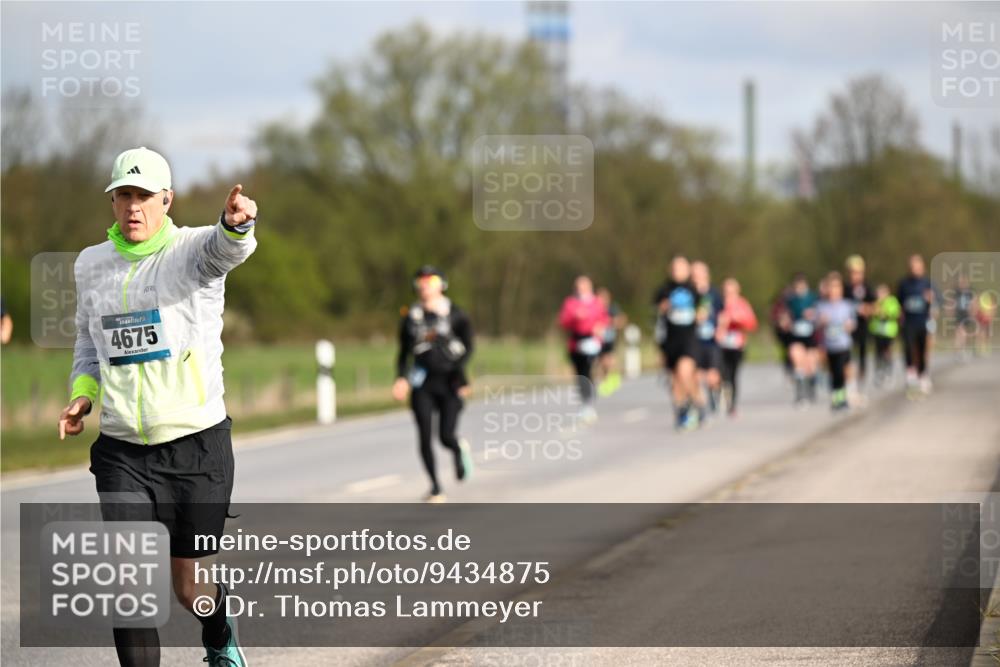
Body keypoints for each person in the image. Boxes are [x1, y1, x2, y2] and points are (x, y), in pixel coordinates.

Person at [58, 147, 257, 667]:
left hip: (196, 445)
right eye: (123, 195)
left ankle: (219, 633)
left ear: (166, 200)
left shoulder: (190, 252)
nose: (133, 206)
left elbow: (224, 249)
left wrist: (235, 226)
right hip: (123, 450)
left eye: (144, 196)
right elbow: (88, 341)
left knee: (190, 589)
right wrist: (83, 394)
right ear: (112, 200)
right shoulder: (91, 264)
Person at [392, 266, 474, 503]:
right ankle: (436, 487)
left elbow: (468, 348)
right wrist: (401, 378)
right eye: (421, 281)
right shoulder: (411, 317)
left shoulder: (455, 314)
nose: (425, 285)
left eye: (431, 280)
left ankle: (457, 448)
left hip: (449, 381)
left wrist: (461, 377)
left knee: (445, 436)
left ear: (441, 285)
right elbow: (403, 353)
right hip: (422, 382)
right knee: (424, 436)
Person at [653, 256, 704, 430]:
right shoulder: (664, 290)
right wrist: (663, 308)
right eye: (674, 268)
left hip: (689, 339)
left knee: (684, 372)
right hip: (670, 340)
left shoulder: (694, 289)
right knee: (675, 379)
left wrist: (701, 313)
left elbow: (704, 308)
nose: (677, 272)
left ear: (688, 270)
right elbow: (656, 316)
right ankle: (683, 411)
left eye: (681, 268)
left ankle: (695, 403)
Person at [558, 275, 608, 422]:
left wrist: (600, 327)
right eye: (579, 287)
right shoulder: (570, 302)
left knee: (587, 371)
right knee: (580, 374)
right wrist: (575, 316)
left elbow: (604, 319)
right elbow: (563, 321)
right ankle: (585, 402)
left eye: (584, 286)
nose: (581, 289)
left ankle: (588, 403)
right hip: (576, 343)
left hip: (592, 342)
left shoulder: (596, 302)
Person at [715, 278, 757, 416]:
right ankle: (718, 398)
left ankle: (732, 405)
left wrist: (738, 320)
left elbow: (752, 324)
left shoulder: (742, 304)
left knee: (733, 375)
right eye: (726, 291)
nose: (729, 294)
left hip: (736, 345)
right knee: (720, 373)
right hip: (719, 344)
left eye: (731, 291)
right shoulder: (718, 303)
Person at [897, 254, 935, 398]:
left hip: (923, 322)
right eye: (912, 266)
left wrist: (931, 300)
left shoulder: (927, 283)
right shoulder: (903, 284)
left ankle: (923, 375)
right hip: (908, 322)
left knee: (922, 349)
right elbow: (899, 302)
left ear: (922, 267)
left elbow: (937, 301)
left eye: (917, 266)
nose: (915, 269)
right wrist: (899, 317)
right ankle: (910, 375)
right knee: (908, 348)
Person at [817, 272, 856, 411]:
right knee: (833, 373)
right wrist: (821, 321)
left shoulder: (847, 305)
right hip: (829, 345)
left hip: (843, 344)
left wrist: (849, 325)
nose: (834, 290)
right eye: (831, 287)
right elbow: (816, 325)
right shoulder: (822, 306)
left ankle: (843, 398)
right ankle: (836, 398)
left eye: (836, 287)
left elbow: (853, 323)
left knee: (841, 372)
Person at [780, 273, 820, 407]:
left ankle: (811, 387)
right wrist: (785, 321)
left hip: (811, 336)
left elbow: (820, 315)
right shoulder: (790, 300)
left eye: (801, 287)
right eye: (797, 287)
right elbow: (784, 315)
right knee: (797, 361)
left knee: (810, 365)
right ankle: (800, 393)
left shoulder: (813, 298)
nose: (799, 290)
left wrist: (812, 315)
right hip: (796, 335)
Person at [692, 261, 724, 416]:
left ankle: (715, 394)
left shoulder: (714, 293)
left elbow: (722, 313)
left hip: (711, 340)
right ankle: (700, 406)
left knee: (712, 376)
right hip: (694, 340)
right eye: (694, 273)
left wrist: (721, 329)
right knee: (696, 375)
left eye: (699, 272)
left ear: (706, 274)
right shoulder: (689, 293)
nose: (696, 276)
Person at [844, 255, 875, 399]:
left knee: (862, 358)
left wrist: (866, 309)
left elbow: (875, 307)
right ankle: (850, 386)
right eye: (853, 272)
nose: (855, 276)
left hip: (862, 328)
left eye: (858, 272)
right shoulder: (845, 288)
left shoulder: (867, 288)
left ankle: (860, 386)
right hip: (847, 330)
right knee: (848, 358)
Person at [595, 287, 626, 397]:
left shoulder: (612, 308)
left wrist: (612, 322)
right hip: (598, 339)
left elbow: (621, 320)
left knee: (608, 360)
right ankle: (606, 380)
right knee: (602, 361)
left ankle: (612, 379)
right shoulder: (594, 309)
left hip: (609, 338)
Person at [868, 283, 901, 386]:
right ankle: (879, 371)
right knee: (878, 353)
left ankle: (888, 370)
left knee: (887, 352)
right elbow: (870, 314)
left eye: (882, 292)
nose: (880, 295)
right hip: (877, 332)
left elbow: (895, 313)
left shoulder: (892, 301)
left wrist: (882, 312)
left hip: (888, 332)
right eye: (879, 292)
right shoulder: (875, 302)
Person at [950, 273, 977, 359]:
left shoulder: (970, 292)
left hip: (966, 314)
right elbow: (952, 302)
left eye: (963, 281)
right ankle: (959, 351)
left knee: (963, 333)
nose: (962, 283)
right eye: (960, 281)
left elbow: (974, 302)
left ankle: (960, 350)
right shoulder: (956, 291)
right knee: (960, 332)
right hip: (959, 314)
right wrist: (951, 311)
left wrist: (973, 312)